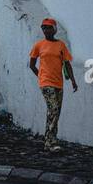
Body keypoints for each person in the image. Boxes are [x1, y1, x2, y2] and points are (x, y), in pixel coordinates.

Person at [29, 17, 76, 152]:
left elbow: (67, 64)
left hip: (58, 83)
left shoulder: (61, 45)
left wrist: (73, 80)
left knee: (54, 112)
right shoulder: (39, 45)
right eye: (44, 28)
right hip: (46, 83)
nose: (46, 30)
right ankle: (51, 141)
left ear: (54, 29)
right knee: (54, 109)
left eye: (49, 27)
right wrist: (41, 77)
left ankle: (48, 140)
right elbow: (32, 65)